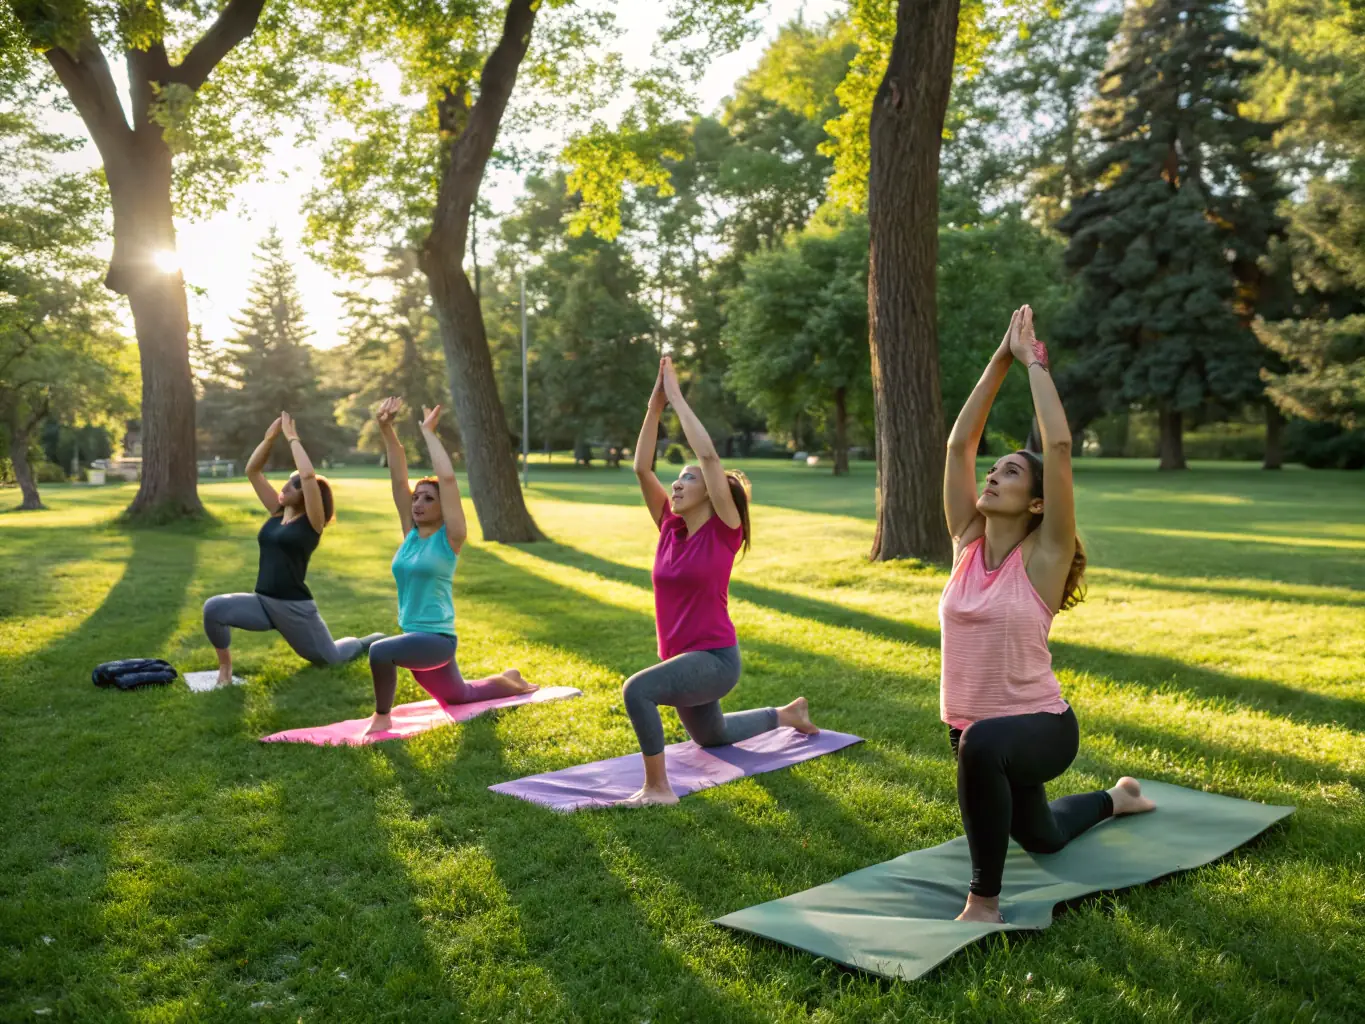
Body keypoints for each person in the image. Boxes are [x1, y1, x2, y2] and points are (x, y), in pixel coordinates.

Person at [941, 305, 1156, 924]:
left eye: (1010, 471)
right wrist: (1000, 358)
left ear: (1037, 503)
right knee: (1042, 836)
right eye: (995, 468)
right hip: (975, 733)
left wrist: (1033, 362)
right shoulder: (967, 542)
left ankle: (983, 903)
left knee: (984, 745)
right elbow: (961, 444)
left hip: (1039, 728)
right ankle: (1118, 798)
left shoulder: (1045, 558)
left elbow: (1057, 446)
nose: (992, 472)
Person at [619, 356, 817, 807]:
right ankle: (787, 714)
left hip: (713, 659)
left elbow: (708, 456)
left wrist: (679, 399)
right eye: (678, 477)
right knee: (714, 736)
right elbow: (641, 468)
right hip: (683, 657)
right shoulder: (670, 528)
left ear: (712, 491)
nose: (677, 483)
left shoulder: (724, 530)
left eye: (688, 478)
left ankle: (658, 788)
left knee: (638, 690)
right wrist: (654, 407)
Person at [362, 397, 534, 735]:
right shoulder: (410, 534)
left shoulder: (450, 538)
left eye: (429, 498)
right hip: (415, 637)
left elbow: (449, 480)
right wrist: (386, 429)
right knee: (461, 695)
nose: (419, 503)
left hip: (437, 640)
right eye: (417, 498)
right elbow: (398, 480)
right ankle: (511, 681)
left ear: (444, 507)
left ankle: (382, 718)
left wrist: (428, 433)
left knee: (380, 651)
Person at [203, 413, 383, 687]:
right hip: (262, 601)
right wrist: (269, 439)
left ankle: (369, 641)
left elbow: (309, 476)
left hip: (294, 608)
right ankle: (225, 671)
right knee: (214, 609)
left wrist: (292, 438)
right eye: (288, 480)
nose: (286, 486)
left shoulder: (313, 523)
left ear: (308, 495)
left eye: (294, 484)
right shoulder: (276, 513)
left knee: (330, 658)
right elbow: (253, 471)